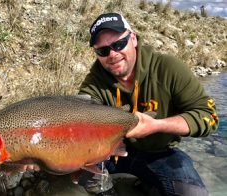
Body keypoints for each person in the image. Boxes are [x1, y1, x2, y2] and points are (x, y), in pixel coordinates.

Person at [78, 12, 219, 196]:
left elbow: (209, 116)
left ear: (134, 39)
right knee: (61, 170)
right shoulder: (94, 82)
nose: (112, 54)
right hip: (110, 152)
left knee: (192, 193)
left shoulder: (168, 69)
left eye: (119, 44)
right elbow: (80, 117)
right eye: (103, 51)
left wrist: (158, 125)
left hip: (161, 154)